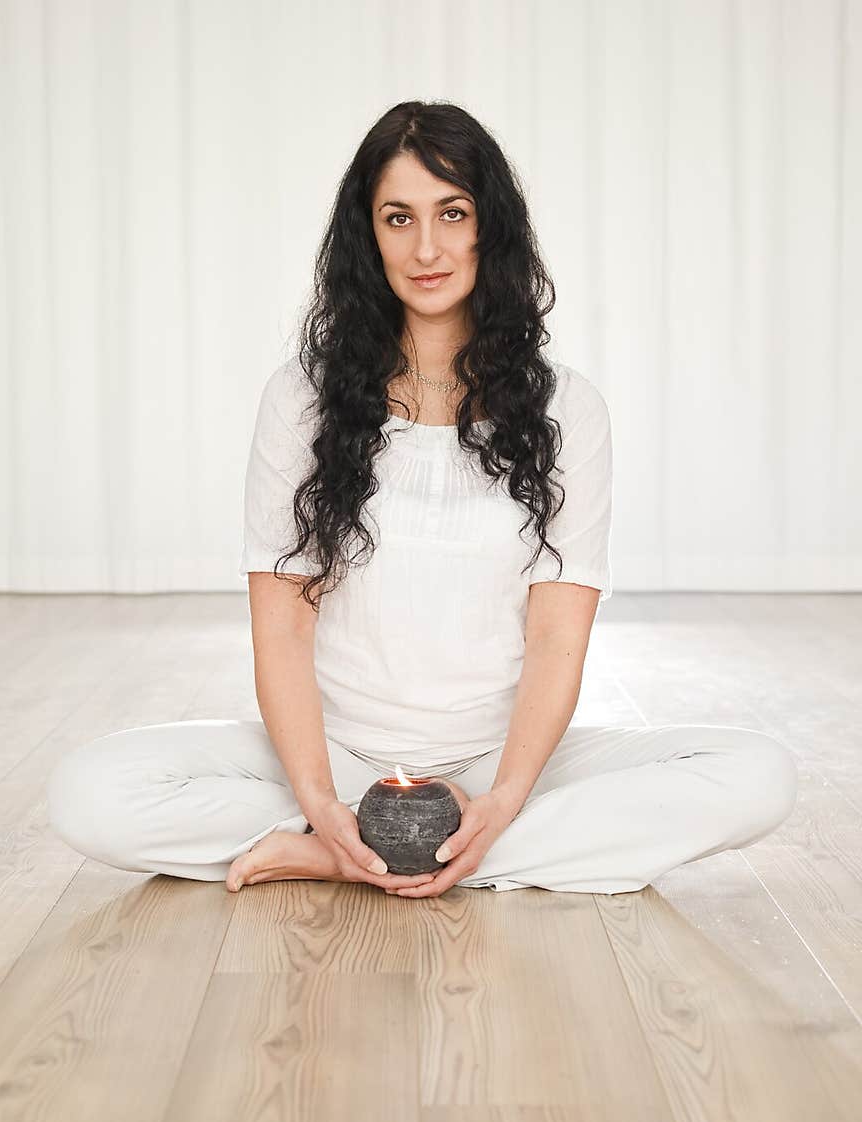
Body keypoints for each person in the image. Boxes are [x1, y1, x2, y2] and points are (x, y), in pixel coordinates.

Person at [46, 101, 798, 899]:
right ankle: (358, 844)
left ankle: (384, 853)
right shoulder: (300, 399)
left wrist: (505, 798)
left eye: (453, 213)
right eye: (398, 218)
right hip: (333, 753)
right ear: (367, 236)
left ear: (490, 227)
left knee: (758, 774)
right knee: (89, 793)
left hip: (501, 759)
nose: (427, 247)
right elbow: (283, 622)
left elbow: (555, 639)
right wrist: (319, 802)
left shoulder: (567, 408)